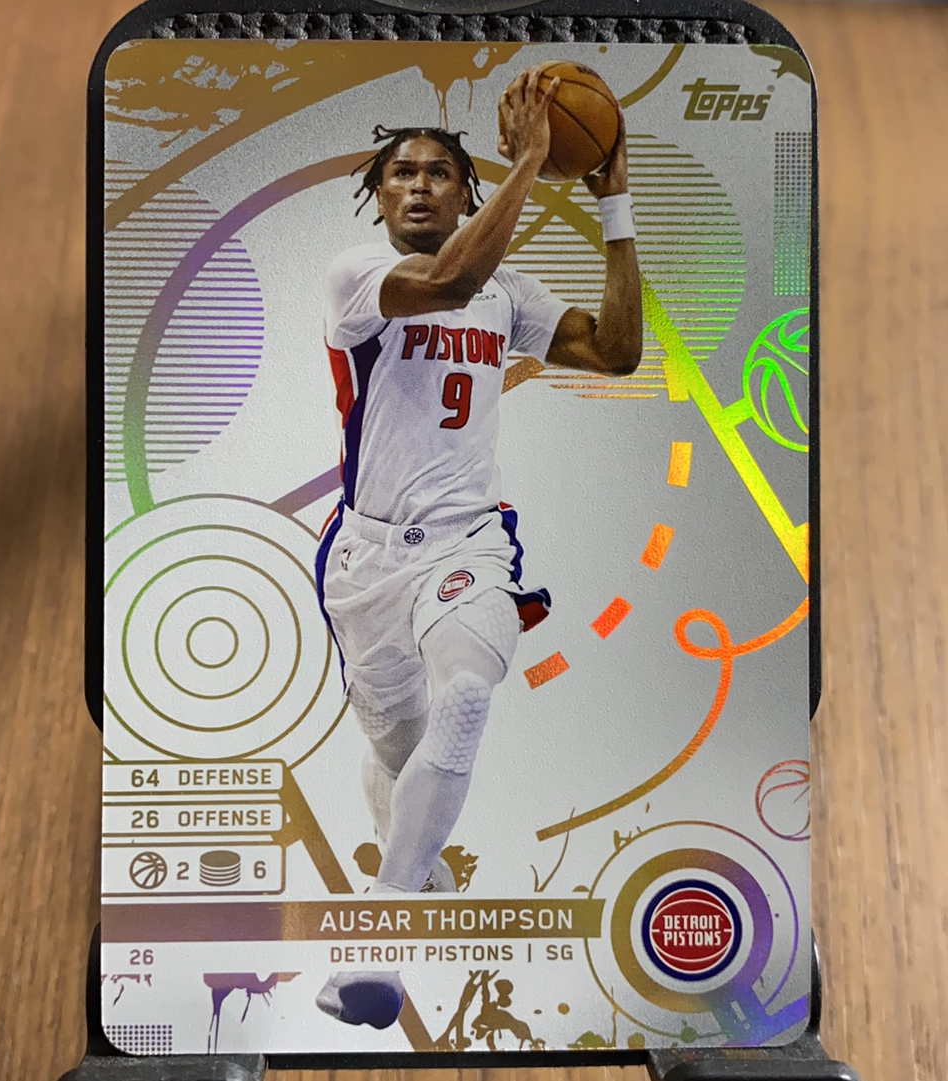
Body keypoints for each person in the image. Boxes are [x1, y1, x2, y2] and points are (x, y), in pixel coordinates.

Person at [313, 67, 643, 1030]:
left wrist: (613, 202)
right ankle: (414, 876)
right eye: (401, 174)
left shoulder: (507, 293)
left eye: (440, 173)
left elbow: (617, 351)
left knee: (464, 697)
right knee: (400, 750)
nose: (419, 185)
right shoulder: (357, 278)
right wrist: (536, 159)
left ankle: (379, 935)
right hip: (367, 562)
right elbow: (447, 279)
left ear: (466, 191)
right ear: (379, 198)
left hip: (469, 546)